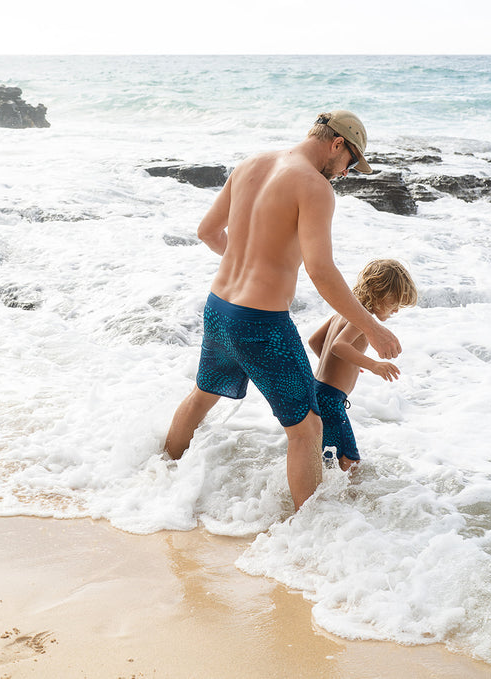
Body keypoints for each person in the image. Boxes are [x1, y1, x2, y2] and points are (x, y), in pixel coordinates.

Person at [164, 110, 402, 511]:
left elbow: (207, 232)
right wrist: (373, 329)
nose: (345, 173)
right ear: (337, 143)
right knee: (308, 428)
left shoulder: (251, 165)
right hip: (260, 325)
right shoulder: (313, 186)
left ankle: (157, 476)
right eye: (349, 163)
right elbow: (321, 271)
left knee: (202, 395)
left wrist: (249, 260)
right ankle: (308, 534)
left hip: (219, 308)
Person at [308, 259, 418, 471]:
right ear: (378, 291)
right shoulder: (363, 318)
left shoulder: (342, 312)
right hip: (331, 399)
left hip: (318, 390)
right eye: (395, 302)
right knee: (350, 461)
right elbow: (339, 346)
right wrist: (373, 365)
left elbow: (316, 341)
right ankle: (344, 502)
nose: (396, 310)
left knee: (329, 457)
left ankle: (325, 497)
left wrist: (346, 362)